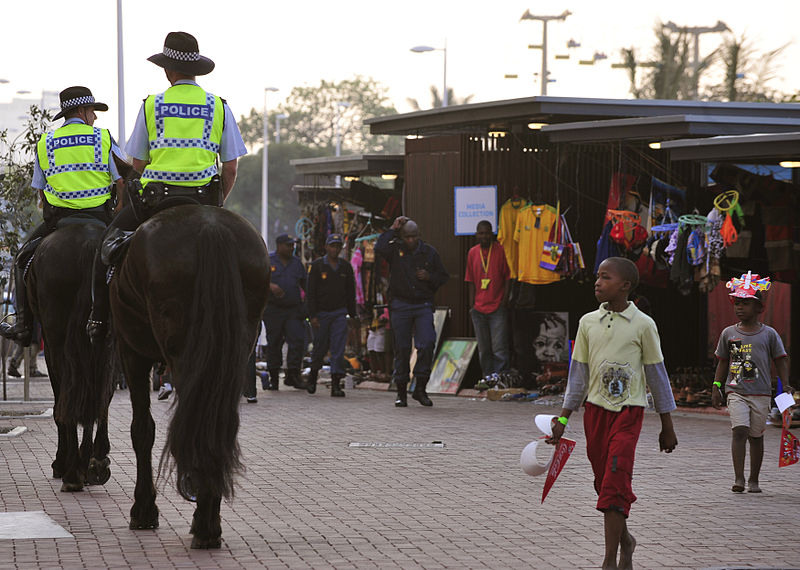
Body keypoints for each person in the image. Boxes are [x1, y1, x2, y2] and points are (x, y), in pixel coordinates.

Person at [86, 31, 247, 341]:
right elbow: (230, 168)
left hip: (155, 200)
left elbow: (137, 165)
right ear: (196, 69)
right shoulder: (218, 106)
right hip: (203, 199)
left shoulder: (152, 105)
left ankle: (99, 320)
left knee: (106, 248)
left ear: (168, 70)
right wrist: (218, 204)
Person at [548, 257, 677, 570]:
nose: (597, 282)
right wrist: (563, 419)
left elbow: (657, 375)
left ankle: (609, 560)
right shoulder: (587, 323)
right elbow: (577, 376)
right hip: (595, 413)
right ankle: (626, 540)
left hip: (628, 413)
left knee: (616, 476)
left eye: (605, 277)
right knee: (604, 483)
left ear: (625, 286)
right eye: (597, 276)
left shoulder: (644, 324)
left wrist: (667, 424)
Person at [0, 86, 123, 346]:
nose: (95, 117)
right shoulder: (103, 138)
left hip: (60, 221)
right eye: (92, 111)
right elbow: (122, 182)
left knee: (22, 259)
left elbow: (42, 194)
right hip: (101, 218)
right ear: (81, 111)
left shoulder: (46, 143)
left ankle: (22, 324)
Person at [711, 271, 790, 494]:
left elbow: (781, 360)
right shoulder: (728, 333)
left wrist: (786, 384)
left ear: (759, 308)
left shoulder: (769, 334)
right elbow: (723, 363)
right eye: (737, 303)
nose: (739, 308)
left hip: (762, 393)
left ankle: (754, 480)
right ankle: (739, 478)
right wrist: (717, 387)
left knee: (756, 437)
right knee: (740, 431)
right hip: (736, 391)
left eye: (745, 303)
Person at [375, 216, 448, 407]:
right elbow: (379, 248)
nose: (410, 241)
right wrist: (393, 228)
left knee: (427, 343)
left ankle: (420, 388)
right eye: (406, 237)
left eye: (413, 237)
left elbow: (443, 276)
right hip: (401, 305)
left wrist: (429, 277)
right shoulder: (395, 249)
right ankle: (401, 392)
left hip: (422, 304)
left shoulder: (429, 253)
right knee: (403, 348)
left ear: (419, 235)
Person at [305, 234, 357, 397]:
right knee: (320, 348)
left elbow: (351, 292)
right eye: (332, 246)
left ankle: (336, 384)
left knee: (338, 349)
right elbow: (310, 293)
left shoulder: (345, 267)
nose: (335, 249)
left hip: (339, 313)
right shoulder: (317, 266)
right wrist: (312, 315)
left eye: (337, 246)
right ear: (326, 247)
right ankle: (312, 377)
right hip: (321, 314)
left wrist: (353, 315)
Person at [465, 220, 510, 378]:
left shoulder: (500, 250)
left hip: (497, 307)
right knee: (484, 349)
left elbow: (507, 277)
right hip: (478, 309)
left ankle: (501, 379)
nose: (484, 236)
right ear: (477, 235)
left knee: (499, 348)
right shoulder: (472, 252)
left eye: (487, 233)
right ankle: (488, 378)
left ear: (492, 234)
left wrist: (504, 302)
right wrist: (472, 305)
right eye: (481, 233)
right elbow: (470, 280)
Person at [263, 234, 307, 390]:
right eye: (288, 245)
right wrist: (270, 286)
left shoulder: (297, 264)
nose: (291, 248)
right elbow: (257, 279)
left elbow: (305, 284)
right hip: (273, 310)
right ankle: (273, 377)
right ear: (279, 245)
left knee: (297, 341)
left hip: (293, 310)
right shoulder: (268, 260)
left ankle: (293, 375)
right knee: (274, 343)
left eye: (292, 245)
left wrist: (306, 307)